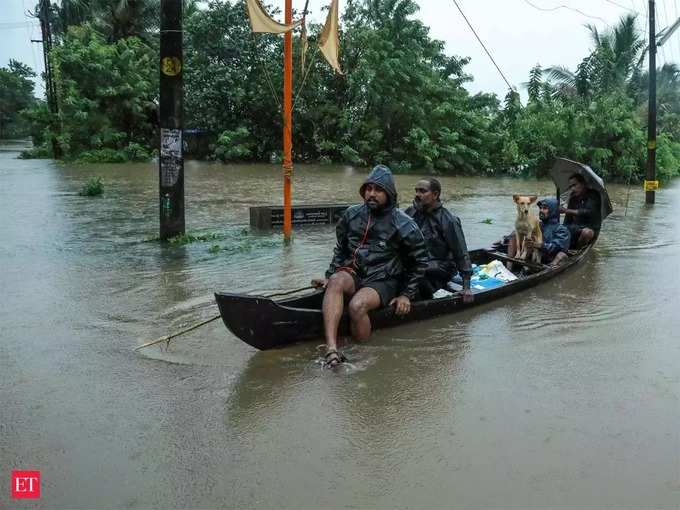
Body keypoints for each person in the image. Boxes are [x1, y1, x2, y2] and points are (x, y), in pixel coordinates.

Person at [311, 165, 429, 367]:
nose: (371, 194)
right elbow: (341, 249)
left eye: (378, 190)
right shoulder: (351, 215)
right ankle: (331, 348)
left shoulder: (403, 223)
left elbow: (420, 261)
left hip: (384, 278)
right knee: (337, 281)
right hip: (355, 271)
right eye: (368, 189)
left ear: (389, 194)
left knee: (357, 305)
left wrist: (406, 294)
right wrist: (330, 275)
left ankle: (362, 354)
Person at [404, 178, 474, 303]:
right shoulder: (410, 212)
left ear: (435, 194)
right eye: (416, 191)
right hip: (418, 262)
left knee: (414, 273)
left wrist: (466, 287)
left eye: (422, 191)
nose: (417, 195)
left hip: (440, 266)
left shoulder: (449, 220)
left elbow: (461, 253)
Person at [507, 197, 570, 267]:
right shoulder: (537, 224)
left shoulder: (561, 229)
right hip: (531, 255)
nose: (541, 210)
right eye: (540, 208)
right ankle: (509, 267)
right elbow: (520, 234)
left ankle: (541, 269)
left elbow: (557, 247)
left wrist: (538, 245)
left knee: (561, 255)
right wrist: (505, 239)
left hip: (548, 259)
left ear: (553, 211)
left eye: (545, 208)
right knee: (513, 235)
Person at [560, 173, 602, 249]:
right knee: (559, 229)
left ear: (583, 184)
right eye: (570, 186)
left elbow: (589, 212)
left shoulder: (593, 195)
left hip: (590, 227)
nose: (572, 189)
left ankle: (577, 249)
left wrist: (566, 210)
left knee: (587, 233)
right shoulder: (573, 198)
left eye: (574, 185)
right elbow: (568, 219)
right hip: (576, 227)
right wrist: (562, 229)